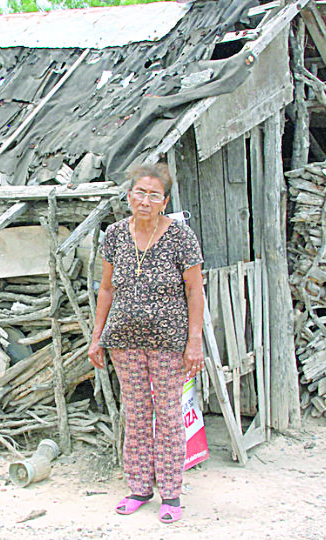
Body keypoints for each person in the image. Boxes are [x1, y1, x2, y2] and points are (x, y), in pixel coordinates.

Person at [88, 162, 205, 524]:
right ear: (129, 196)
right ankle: (139, 486)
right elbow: (106, 288)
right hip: (124, 339)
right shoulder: (115, 235)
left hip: (169, 340)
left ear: (164, 201)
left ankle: (171, 493)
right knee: (136, 413)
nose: (145, 200)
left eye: (154, 195)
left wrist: (194, 342)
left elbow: (194, 290)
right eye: (140, 192)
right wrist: (97, 338)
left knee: (168, 415)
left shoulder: (181, 237)